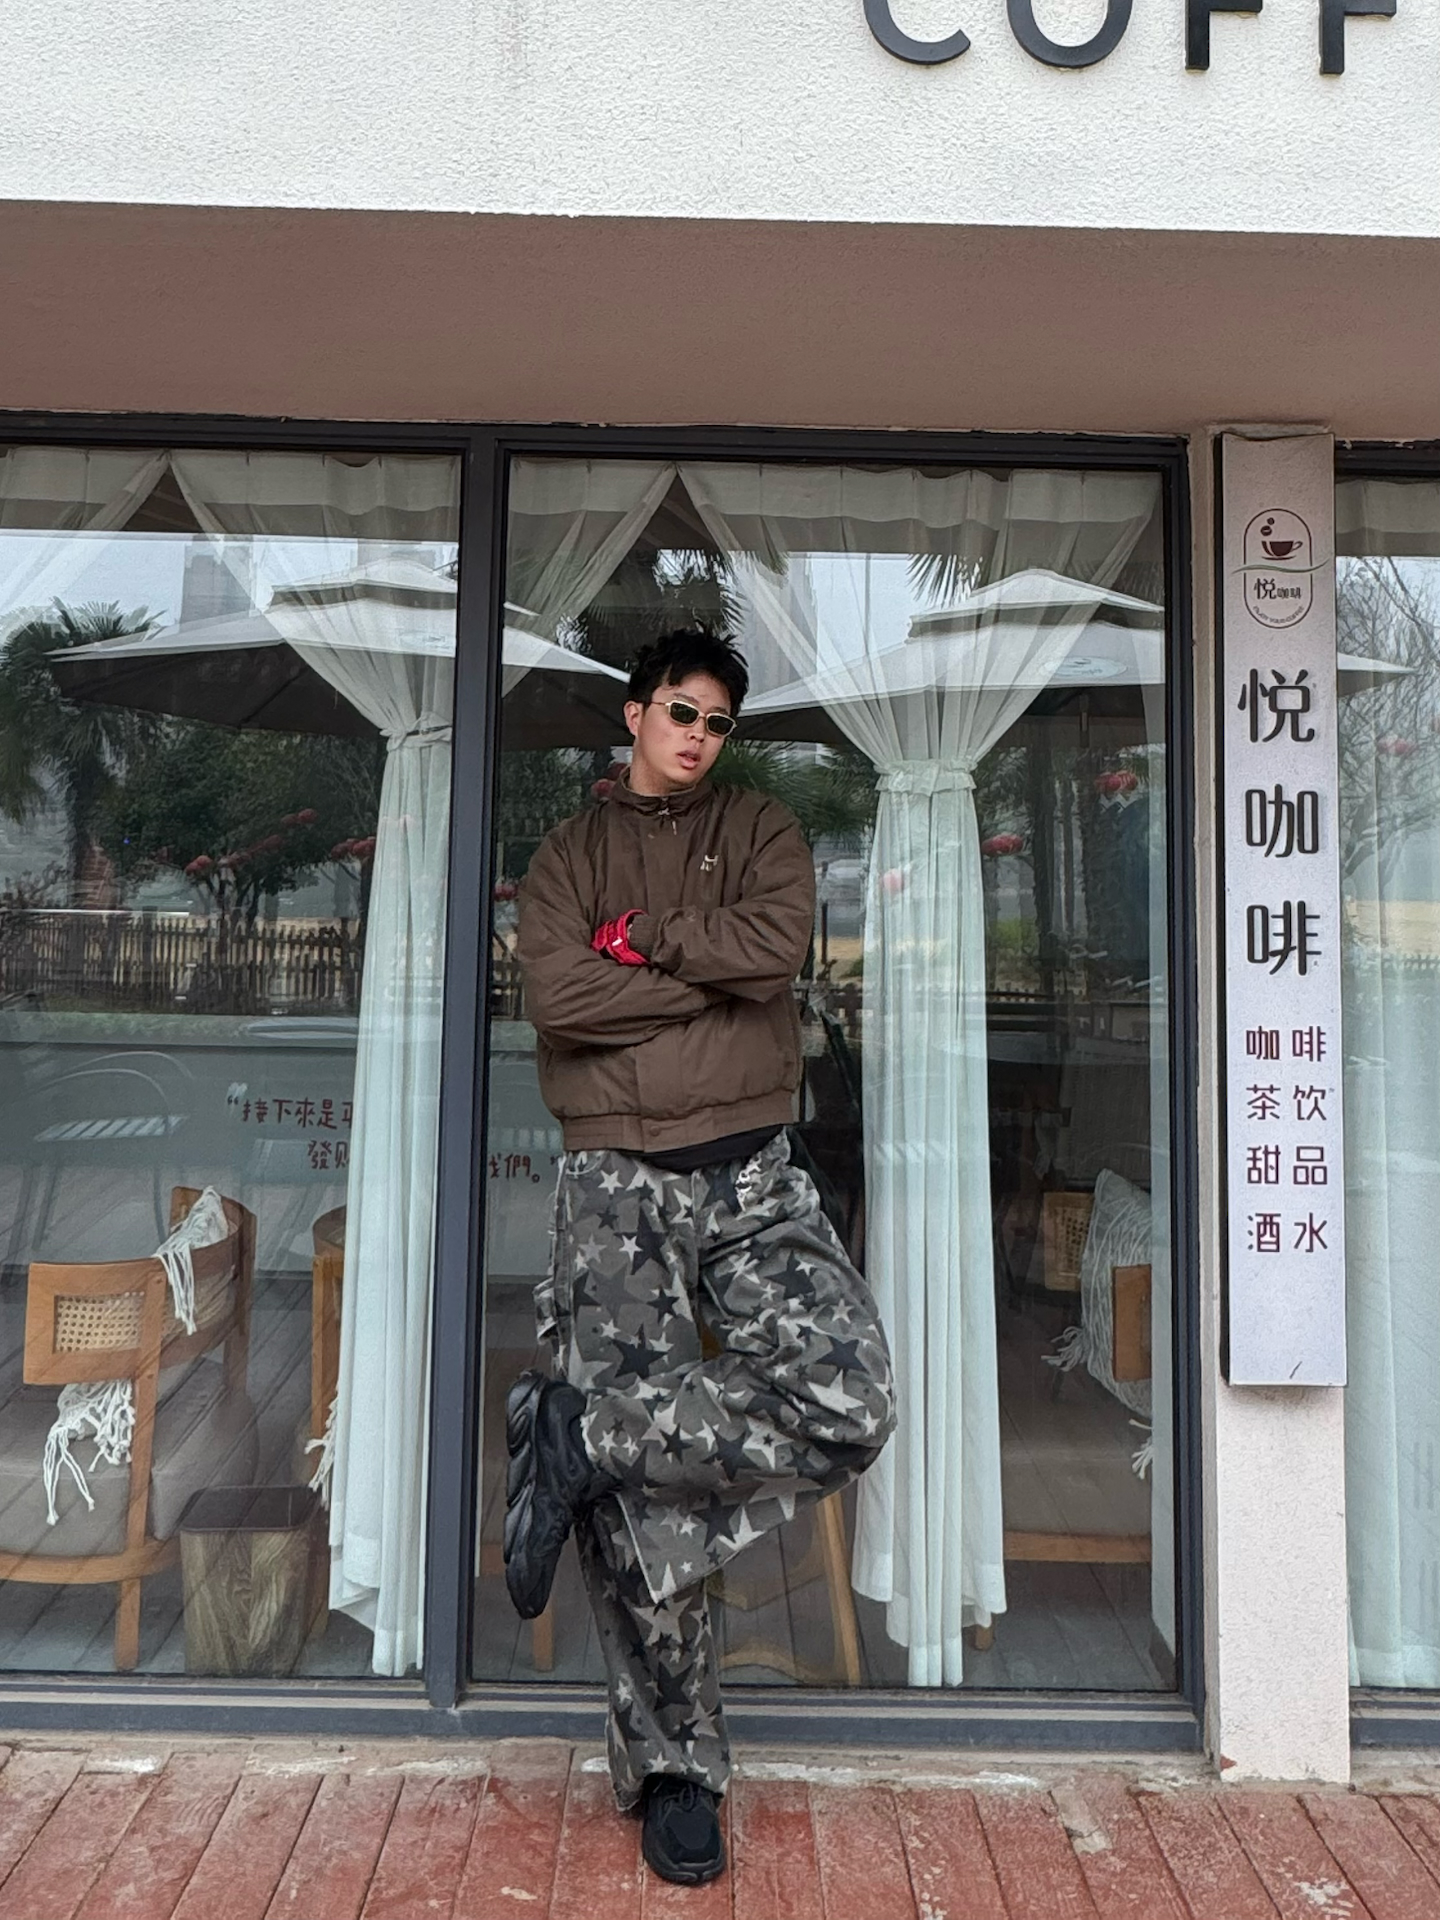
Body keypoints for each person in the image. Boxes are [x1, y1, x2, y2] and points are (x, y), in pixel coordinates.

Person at [505, 629, 894, 1887]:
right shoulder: (567, 857)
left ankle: (584, 1435)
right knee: (649, 1506)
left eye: (718, 722)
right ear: (635, 714)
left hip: (754, 1171)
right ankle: (677, 1766)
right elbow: (560, 1001)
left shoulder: (762, 829)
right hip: (614, 1175)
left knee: (849, 1396)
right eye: (682, 712)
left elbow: (772, 954)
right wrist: (708, 979)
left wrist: (644, 940)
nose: (699, 736)